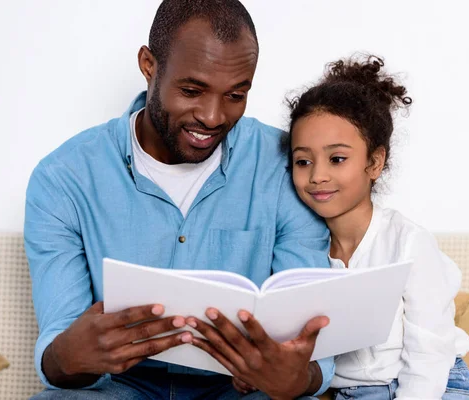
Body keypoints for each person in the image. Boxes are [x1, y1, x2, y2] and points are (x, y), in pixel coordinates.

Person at [24, 1, 334, 398]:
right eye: (192, 90)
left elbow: (311, 337)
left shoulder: (286, 165)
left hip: (240, 390)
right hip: (120, 388)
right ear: (149, 65)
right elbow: (60, 345)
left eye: (236, 94)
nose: (212, 116)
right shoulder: (64, 178)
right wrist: (65, 358)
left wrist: (298, 377)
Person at [279, 55, 469, 399]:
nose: (318, 175)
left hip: (434, 385)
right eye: (303, 161)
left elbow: (429, 356)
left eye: (337, 159)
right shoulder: (297, 251)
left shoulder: (407, 242)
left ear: (374, 162)